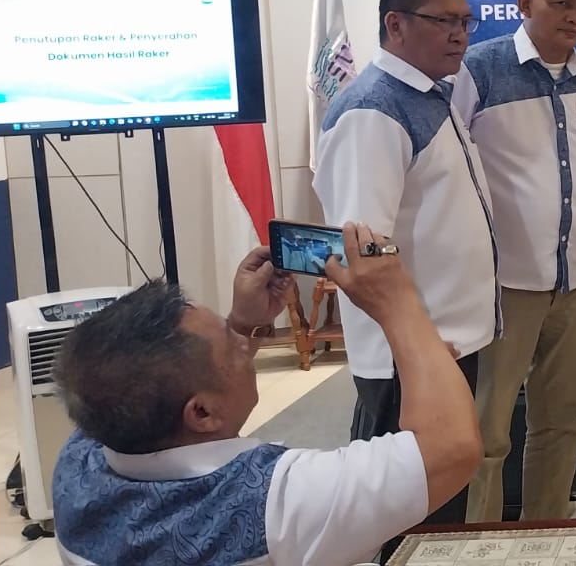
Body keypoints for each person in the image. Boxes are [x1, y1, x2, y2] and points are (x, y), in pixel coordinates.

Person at [51, 224, 482, 566]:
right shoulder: (273, 504)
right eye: (230, 344)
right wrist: (397, 304)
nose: (244, 348)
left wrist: (243, 325)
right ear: (202, 413)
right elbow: (450, 448)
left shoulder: (77, 463)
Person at [312, 0, 498, 526]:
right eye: (444, 21)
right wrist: (414, 342)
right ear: (395, 24)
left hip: (442, 345)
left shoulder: (428, 93)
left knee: (442, 508)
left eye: (465, 21)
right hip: (411, 356)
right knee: (416, 517)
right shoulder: (373, 110)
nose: (460, 35)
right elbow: (362, 254)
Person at [456, 0, 576, 522]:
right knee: (487, 428)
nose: (574, 17)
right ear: (526, 4)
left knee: (563, 420)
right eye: (560, 3)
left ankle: (544, 531)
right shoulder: (478, 69)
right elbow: (446, 165)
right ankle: (476, 545)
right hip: (504, 282)